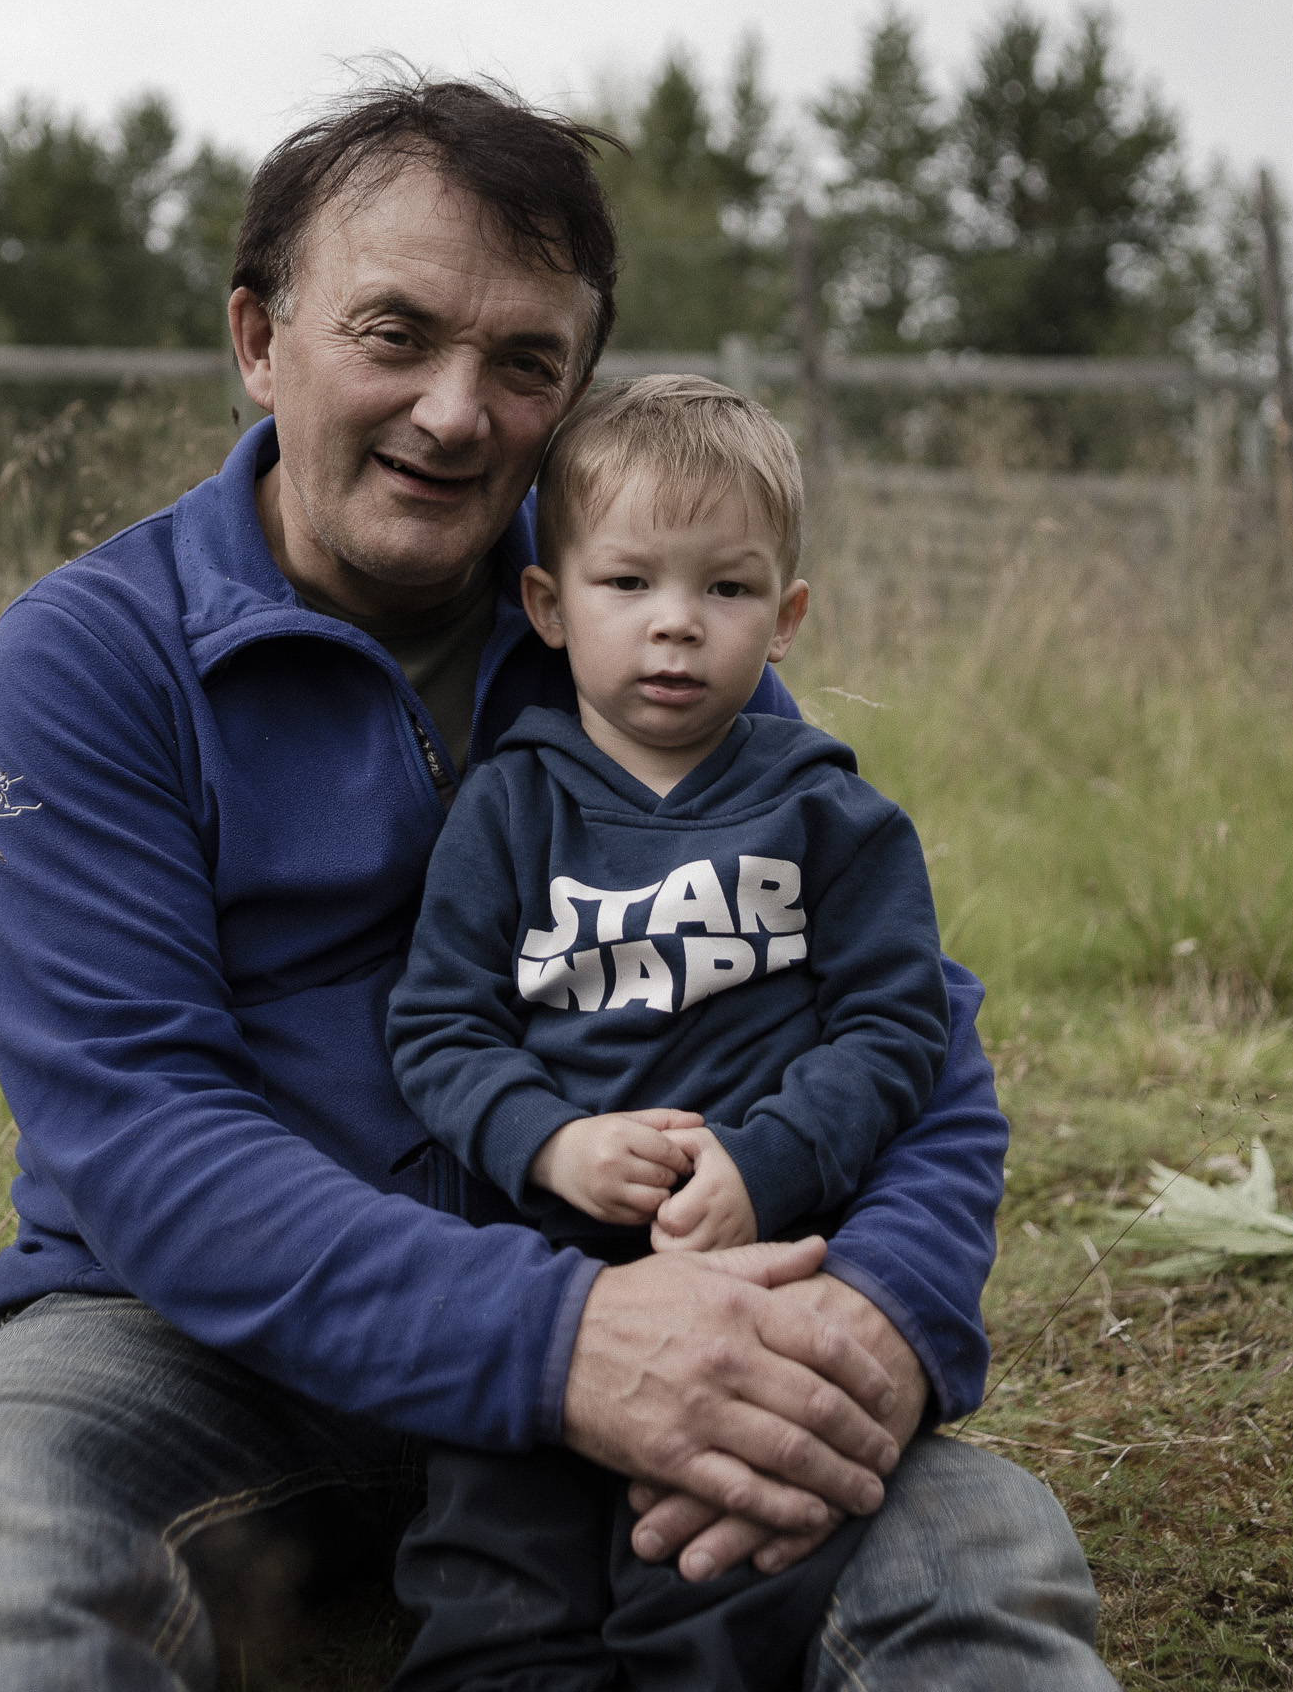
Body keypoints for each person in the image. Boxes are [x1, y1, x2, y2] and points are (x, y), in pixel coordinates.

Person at [0, 74, 1114, 1691]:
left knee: (979, 1560)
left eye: (523, 365)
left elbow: (905, 1022)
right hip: (202, 1350)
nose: (454, 411)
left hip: (664, 1313)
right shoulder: (98, 660)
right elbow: (144, 1133)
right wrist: (559, 1348)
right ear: (256, 341)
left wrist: (882, 1323)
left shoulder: (647, 650)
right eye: (394, 334)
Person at [384, 375, 954, 1690]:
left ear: (789, 615)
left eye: (727, 591)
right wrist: (554, 1145)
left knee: (711, 1581)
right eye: (628, 584)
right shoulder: (508, 809)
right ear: (547, 603)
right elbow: (439, 1024)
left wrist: (769, 1165)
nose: (675, 629)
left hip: (754, 1282)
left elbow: (892, 1026)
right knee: (495, 1590)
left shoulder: (829, 817)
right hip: (537, 1275)